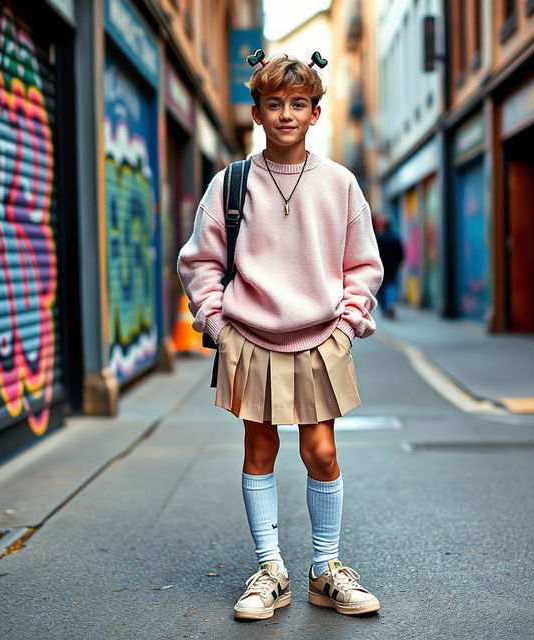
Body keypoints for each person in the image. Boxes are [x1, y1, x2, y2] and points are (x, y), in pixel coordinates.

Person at [178, 51, 383, 621]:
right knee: (259, 449)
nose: (286, 114)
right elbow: (199, 261)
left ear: (316, 113)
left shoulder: (340, 182)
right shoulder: (231, 183)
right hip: (251, 337)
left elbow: (362, 265)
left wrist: (346, 325)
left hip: (323, 338)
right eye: (275, 105)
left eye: (298, 104)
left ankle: (325, 570)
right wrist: (217, 324)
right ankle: (271, 571)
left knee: (321, 451)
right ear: (257, 112)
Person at [374, 214, 404, 319]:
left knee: (381, 288)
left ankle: (384, 309)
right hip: (392, 267)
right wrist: (398, 264)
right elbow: (401, 254)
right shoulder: (395, 238)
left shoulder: (378, 238)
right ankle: (391, 303)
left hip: (380, 267)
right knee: (391, 285)